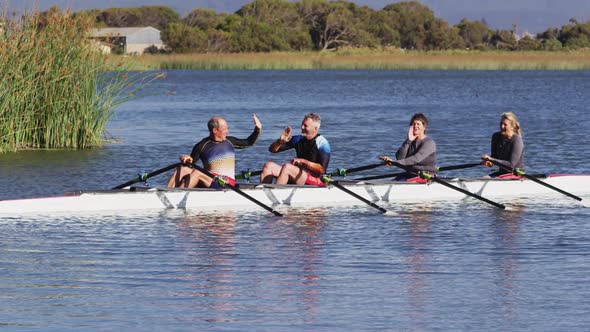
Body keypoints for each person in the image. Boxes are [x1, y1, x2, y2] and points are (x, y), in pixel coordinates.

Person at [167, 114, 261, 188]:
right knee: (182, 168)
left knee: (197, 172)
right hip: (208, 180)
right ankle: (169, 191)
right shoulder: (202, 145)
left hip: (226, 182)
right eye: (225, 129)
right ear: (215, 130)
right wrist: (183, 157)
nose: (227, 131)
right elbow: (190, 163)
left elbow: (249, 142)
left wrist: (257, 129)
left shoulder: (230, 141)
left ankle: (179, 193)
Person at [260, 113, 331, 186]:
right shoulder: (298, 139)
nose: (302, 127)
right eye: (302, 124)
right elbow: (272, 150)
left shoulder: (323, 143)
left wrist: (303, 161)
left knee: (287, 167)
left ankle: (275, 193)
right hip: (299, 176)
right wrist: (280, 142)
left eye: (305, 126)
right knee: (268, 166)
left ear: (315, 128)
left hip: (317, 179)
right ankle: (263, 193)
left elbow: (322, 170)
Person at [378, 113, 436, 182]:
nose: (415, 126)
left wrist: (393, 162)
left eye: (418, 124)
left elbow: (416, 159)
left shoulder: (429, 143)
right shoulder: (410, 141)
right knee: (392, 182)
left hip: (425, 176)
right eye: (413, 124)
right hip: (410, 174)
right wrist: (408, 141)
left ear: (424, 127)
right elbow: (400, 157)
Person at [481, 112, 524, 178]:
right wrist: (489, 162)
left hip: (516, 174)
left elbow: (511, 165)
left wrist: (491, 159)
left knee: (485, 179)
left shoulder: (516, 140)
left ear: (512, 127)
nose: (502, 126)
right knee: (482, 178)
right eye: (501, 123)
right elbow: (494, 157)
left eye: (505, 124)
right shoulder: (496, 136)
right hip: (501, 173)